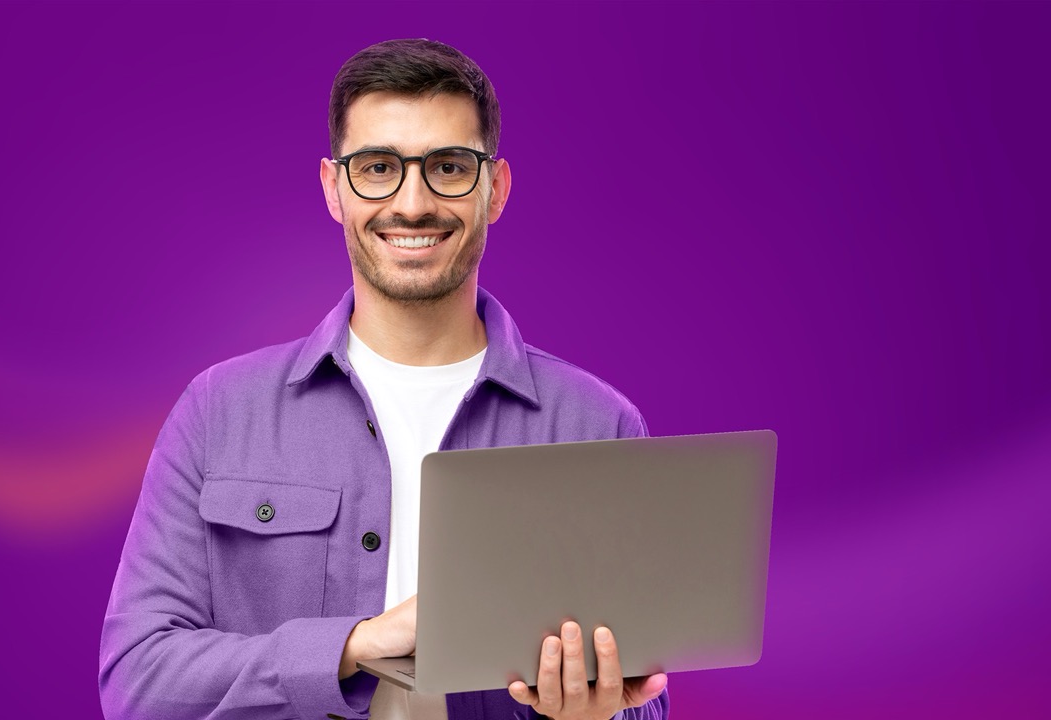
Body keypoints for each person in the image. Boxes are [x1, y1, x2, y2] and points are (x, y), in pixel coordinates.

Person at [99, 39, 670, 720]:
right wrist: (357, 645)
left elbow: (644, 701)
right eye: (378, 168)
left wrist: (599, 714)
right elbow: (138, 685)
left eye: (449, 167)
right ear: (334, 188)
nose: (413, 203)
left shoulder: (596, 427)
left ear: (497, 190)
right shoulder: (218, 413)